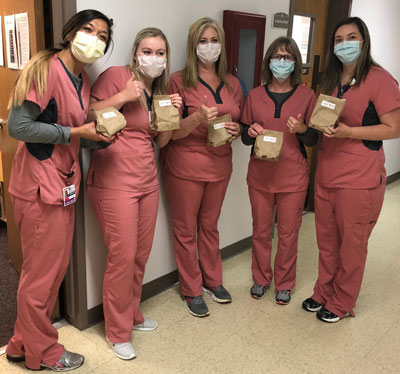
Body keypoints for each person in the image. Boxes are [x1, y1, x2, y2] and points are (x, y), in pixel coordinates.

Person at [5, 9, 113, 372]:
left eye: (102, 36)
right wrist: (75, 134)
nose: (94, 39)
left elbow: (68, 129)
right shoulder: (45, 69)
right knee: (41, 277)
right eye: (88, 29)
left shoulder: (81, 80)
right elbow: (19, 127)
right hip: (38, 188)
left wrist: (95, 139)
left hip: (62, 185)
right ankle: (44, 353)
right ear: (70, 32)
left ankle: (21, 345)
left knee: (52, 271)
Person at [87, 27, 181, 360]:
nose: (153, 58)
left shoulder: (161, 90)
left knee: (140, 255)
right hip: (113, 182)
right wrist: (125, 96)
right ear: (135, 52)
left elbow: (162, 143)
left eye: (160, 53)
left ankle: (131, 315)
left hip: (146, 181)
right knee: (122, 258)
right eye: (147, 50)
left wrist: (171, 118)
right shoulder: (117, 76)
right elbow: (89, 113)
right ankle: (117, 331)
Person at [302, 17, 400, 323]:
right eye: (338, 39)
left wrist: (350, 133)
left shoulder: (380, 79)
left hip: (360, 179)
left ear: (364, 40)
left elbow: (394, 128)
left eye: (352, 37)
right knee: (327, 242)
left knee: (351, 246)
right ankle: (323, 292)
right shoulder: (331, 80)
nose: (344, 44)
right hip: (327, 174)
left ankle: (342, 301)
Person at [162, 17, 243, 317]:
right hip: (185, 167)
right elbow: (171, 133)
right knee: (185, 231)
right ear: (193, 46)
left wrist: (235, 131)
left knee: (209, 227)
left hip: (220, 166)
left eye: (214, 40)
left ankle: (213, 280)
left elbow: (239, 118)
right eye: (202, 41)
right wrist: (196, 119)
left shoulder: (233, 83)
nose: (209, 47)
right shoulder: (178, 81)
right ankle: (191, 289)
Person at [241, 37, 317, 305]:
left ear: (295, 62)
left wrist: (303, 130)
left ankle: (284, 283)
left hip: (292, 178)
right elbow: (245, 136)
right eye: (276, 56)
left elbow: (313, 139)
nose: (281, 62)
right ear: (268, 61)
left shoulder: (307, 96)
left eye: (287, 57)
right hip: (260, 177)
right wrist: (249, 132)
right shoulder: (255, 95)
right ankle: (261, 278)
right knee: (261, 231)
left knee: (288, 234)